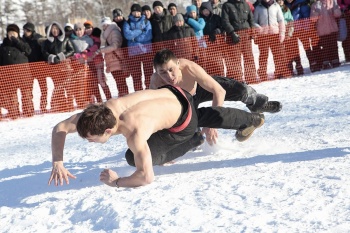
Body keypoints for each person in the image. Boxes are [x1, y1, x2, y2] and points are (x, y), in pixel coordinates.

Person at [48, 84, 265, 188]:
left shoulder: (134, 134)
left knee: (133, 158)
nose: (88, 140)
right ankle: (248, 115)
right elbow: (60, 127)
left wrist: (117, 182)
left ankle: (193, 140)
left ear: (107, 131)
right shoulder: (103, 110)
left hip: (183, 122)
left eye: (91, 138)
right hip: (176, 92)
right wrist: (57, 161)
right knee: (208, 111)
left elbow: (146, 176)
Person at [150, 49, 281, 145]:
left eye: (171, 69)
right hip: (184, 101)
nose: (169, 76)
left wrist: (211, 124)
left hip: (199, 88)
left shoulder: (190, 68)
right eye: (163, 72)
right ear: (157, 72)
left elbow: (219, 91)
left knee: (240, 90)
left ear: (178, 63)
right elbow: (156, 114)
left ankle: (257, 104)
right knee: (195, 140)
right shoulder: (156, 82)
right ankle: (242, 128)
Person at [0, 24, 33, 118]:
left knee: (27, 96)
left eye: (14, 33)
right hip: (9, 77)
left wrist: (17, 42)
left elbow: (29, 51)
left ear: (17, 34)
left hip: (24, 76)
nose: (12, 35)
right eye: (10, 33)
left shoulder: (23, 43)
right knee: (12, 97)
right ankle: (14, 113)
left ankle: (29, 112)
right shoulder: (3, 46)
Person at [41, 21, 75, 112]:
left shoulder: (65, 39)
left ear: (59, 29)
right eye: (53, 29)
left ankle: (70, 105)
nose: (55, 31)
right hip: (54, 68)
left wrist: (61, 56)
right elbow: (44, 52)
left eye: (56, 29)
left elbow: (71, 50)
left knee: (68, 87)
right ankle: (62, 105)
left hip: (65, 67)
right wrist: (51, 57)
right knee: (58, 87)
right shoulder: (47, 42)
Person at [221, 0, 258, 83]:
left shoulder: (246, 4)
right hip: (233, 35)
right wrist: (232, 32)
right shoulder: (227, 5)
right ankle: (236, 80)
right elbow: (225, 21)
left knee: (249, 57)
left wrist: (253, 31)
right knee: (234, 58)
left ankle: (251, 78)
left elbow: (251, 19)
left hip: (246, 34)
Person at [254, 0, 290, 80]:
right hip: (263, 36)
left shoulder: (276, 6)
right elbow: (254, 22)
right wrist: (259, 28)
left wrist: (282, 33)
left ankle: (279, 72)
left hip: (275, 34)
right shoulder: (258, 7)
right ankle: (262, 74)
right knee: (263, 55)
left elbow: (281, 20)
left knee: (278, 55)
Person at [123, 3, 153, 91]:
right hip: (133, 53)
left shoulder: (146, 21)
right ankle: (138, 92)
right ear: (131, 13)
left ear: (141, 12)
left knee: (149, 73)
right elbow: (128, 35)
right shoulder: (127, 22)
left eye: (138, 12)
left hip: (146, 51)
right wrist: (140, 31)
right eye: (134, 12)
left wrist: (134, 38)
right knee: (136, 75)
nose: (136, 14)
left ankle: (149, 90)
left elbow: (148, 35)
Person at [97, 17, 127, 96]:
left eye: (105, 25)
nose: (104, 27)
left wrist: (102, 50)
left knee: (120, 81)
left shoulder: (114, 31)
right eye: (103, 25)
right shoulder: (107, 34)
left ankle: (124, 96)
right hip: (112, 60)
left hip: (116, 59)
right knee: (118, 81)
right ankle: (122, 95)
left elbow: (115, 46)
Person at [22, 22, 48, 113]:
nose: (26, 32)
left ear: (32, 31)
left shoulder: (38, 38)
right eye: (25, 30)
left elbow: (44, 49)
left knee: (43, 89)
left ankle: (43, 106)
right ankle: (29, 107)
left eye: (28, 30)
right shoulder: (23, 40)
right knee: (28, 88)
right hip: (29, 68)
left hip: (40, 67)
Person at [310, 0, 342, 69]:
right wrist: (317, 11)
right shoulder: (315, 5)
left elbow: (338, 14)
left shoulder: (332, 2)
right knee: (325, 47)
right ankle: (326, 62)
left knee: (334, 46)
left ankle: (335, 61)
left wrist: (335, 9)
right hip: (322, 31)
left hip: (332, 28)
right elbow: (313, 19)